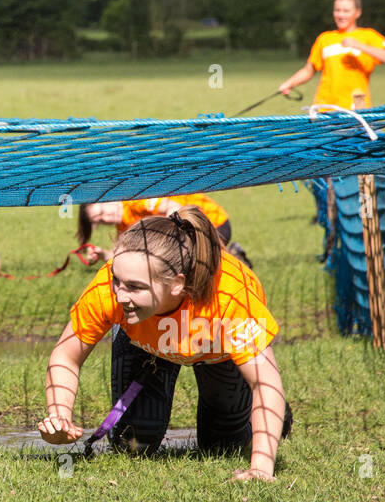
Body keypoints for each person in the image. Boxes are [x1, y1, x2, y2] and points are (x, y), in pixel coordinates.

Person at [38, 206, 292, 481]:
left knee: (223, 448)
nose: (120, 296)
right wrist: (59, 416)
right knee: (133, 446)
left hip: (216, 354)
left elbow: (264, 383)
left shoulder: (230, 294)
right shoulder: (108, 289)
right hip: (146, 346)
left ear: (177, 284)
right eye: (116, 280)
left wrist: (260, 470)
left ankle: (276, 418)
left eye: (135, 287)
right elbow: (66, 356)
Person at [279, 0, 385, 110]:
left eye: (346, 11)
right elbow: (309, 70)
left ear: (358, 12)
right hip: (324, 110)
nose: (340, 15)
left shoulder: (369, 36)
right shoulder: (325, 38)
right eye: (337, 10)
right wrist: (289, 84)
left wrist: (358, 45)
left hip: (356, 110)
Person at [77, 194, 234, 249]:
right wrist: (101, 254)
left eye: (103, 211)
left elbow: (173, 207)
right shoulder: (124, 226)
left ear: (109, 200)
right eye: (101, 220)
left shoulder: (135, 203)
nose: (106, 217)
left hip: (214, 223)